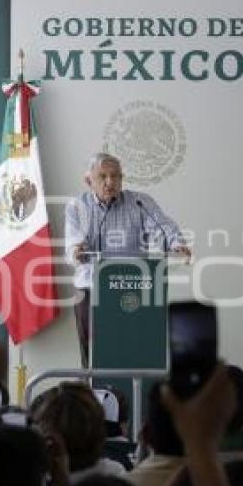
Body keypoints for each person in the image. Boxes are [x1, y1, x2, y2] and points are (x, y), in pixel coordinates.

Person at [64, 153, 190, 367]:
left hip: (133, 288)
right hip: (90, 289)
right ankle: (92, 397)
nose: (110, 182)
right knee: (92, 354)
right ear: (89, 181)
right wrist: (78, 248)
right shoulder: (77, 206)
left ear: (122, 178)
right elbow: (73, 240)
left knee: (135, 350)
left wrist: (176, 244)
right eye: (102, 176)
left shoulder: (140, 202)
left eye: (115, 176)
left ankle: (137, 396)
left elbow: (163, 228)